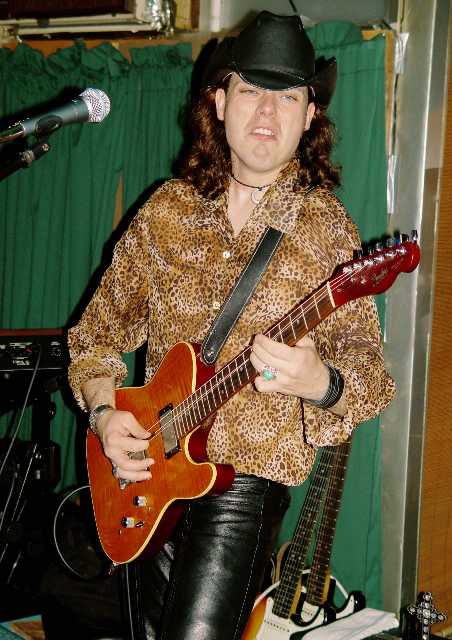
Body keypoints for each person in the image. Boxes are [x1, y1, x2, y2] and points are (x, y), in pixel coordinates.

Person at [68, 10, 395, 640]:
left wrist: (318, 381)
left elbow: (371, 379)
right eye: (251, 90)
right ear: (219, 103)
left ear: (310, 116)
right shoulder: (165, 211)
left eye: (288, 96)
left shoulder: (325, 228)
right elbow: (94, 336)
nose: (267, 111)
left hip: (243, 489)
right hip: (147, 478)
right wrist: (105, 415)